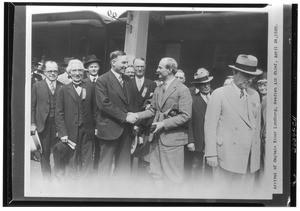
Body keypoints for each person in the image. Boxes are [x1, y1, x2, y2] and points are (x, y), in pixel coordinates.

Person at [204, 54, 262, 194]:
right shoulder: (219, 94)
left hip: (249, 159)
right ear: (234, 72)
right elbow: (210, 126)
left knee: (245, 197)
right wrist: (211, 154)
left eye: (252, 76)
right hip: (226, 157)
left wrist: (256, 156)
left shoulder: (254, 95)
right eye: (245, 75)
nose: (249, 79)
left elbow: (256, 127)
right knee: (224, 196)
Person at [135, 57, 192, 190]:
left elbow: (186, 115)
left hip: (173, 141)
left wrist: (163, 124)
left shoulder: (182, 90)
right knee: (156, 175)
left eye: (160, 67)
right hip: (156, 140)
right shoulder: (158, 88)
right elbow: (153, 110)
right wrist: (137, 115)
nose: (157, 70)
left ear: (170, 69)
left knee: (173, 179)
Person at [95, 50, 137, 180]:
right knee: (105, 167)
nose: (126, 65)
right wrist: (125, 117)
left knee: (123, 167)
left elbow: (132, 102)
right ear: (113, 62)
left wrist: (135, 121)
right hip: (109, 129)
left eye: (127, 62)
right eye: (123, 62)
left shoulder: (129, 80)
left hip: (126, 130)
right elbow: (104, 104)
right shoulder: (102, 80)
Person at [54, 59, 96, 180]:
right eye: (74, 71)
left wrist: (96, 128)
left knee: (87, 158)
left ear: (83, 72)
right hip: (70, 130)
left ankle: (85, 184)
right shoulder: (63, 89)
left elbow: (95, 109)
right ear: (69, 73)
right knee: (72, 158)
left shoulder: (90, 87)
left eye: (79, 70)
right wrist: (62, 133)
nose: (77, 73)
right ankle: (71, 184)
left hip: (87, 129)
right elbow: (59, 113)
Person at [31, 61, 63, 182]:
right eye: (50, 71)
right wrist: (33, 124)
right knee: (44, 153)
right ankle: (47, 180)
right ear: (44, 72)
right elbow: (32, 106)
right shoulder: (37, 86)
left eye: (55, 71)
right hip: (42, 125)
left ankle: (58, 178)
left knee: (58, 152)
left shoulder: (62, 86)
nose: (53, 73)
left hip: (58, 126)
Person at [186, 68, 213, 185]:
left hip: (213, 139)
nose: (206, 86)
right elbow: (189, 122)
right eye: (203, 85)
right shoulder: (193, 99)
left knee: (211, 167)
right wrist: (190, 141)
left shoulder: (216, 96)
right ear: (198, 86)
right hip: (198, 138)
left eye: (208, 83)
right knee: (196, 166)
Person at [130, 57, 157, 179]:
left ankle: (140, 181)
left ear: (145, 67)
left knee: (143, 154)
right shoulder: (127, 82)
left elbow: (152, 106)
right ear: (133, 67)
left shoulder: (152, 84)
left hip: (145, 124)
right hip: (130, 123)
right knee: (128, 153)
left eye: (142, 66)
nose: (140, 69)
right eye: (137, 66)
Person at [83, 55, 102, 171]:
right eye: (91, 67)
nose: (93, 69)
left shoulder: (103, 80)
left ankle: (96, 170)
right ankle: (86, 171)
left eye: (95, 67)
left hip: (100, 119)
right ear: (88, 69)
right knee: (87, 147)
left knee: (99, 147)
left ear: (98, 68)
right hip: (88, 120)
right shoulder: (84, 82)